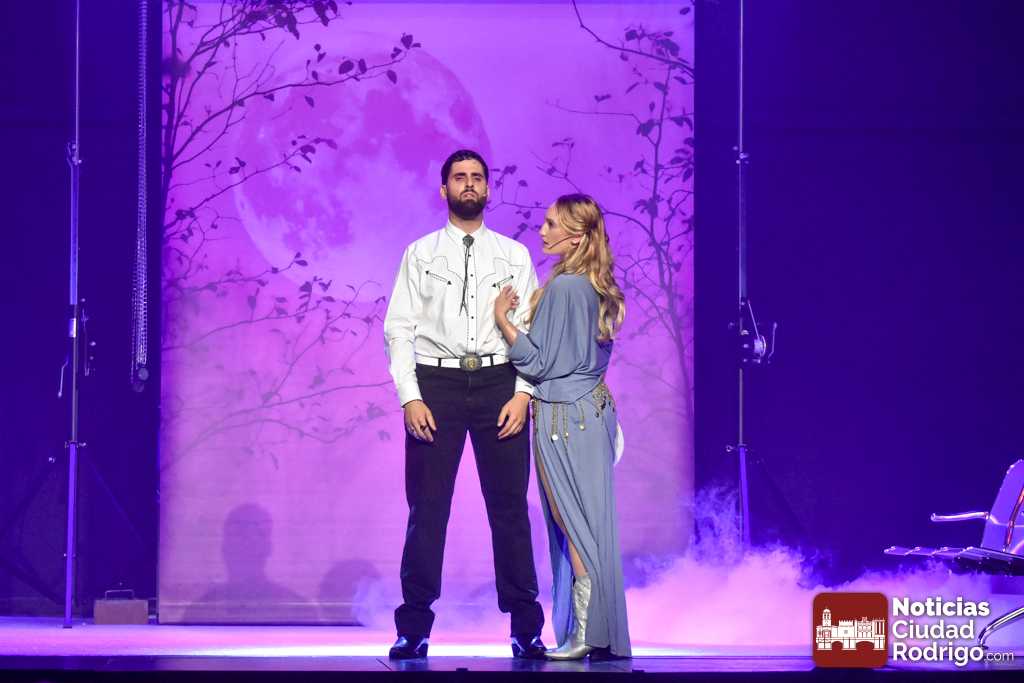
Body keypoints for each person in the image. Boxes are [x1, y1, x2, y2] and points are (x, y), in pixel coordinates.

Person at [383, 149, 547, 660]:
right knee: (427, 509)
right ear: (444, 190)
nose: (469, 184)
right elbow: (399, 329)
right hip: (438, 384)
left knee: (510, 508)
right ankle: (413, 627)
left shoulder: (513, 255)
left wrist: (523, 392)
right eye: (459, 177)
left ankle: (526, 628)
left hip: (500, 383)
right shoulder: (420, 254)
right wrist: (411, 397)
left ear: (489, 189)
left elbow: (531, 329)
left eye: (477, 177)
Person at [493, 193, 631, 660]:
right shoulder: (594, 285)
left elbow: (537, 362)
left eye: (551, 224)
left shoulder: (565, 288)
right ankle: (595, 630)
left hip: (564, 418)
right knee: (589, 523)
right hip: (591, 411)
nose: (543, 230)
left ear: (575, 236)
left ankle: (586, 633)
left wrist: (503, 320)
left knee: (573, 524)